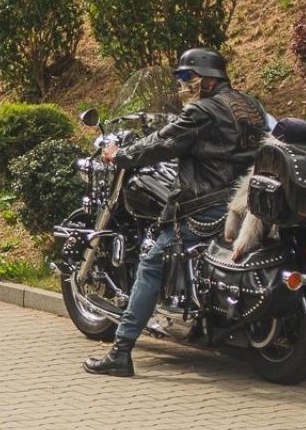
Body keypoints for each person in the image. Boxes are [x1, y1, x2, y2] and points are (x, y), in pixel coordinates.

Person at [84, 47, 268, 377]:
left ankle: (121, 351)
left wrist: (120, 154)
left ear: (207, 81)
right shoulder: (250, 106)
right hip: (245, 201)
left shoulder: (203, 111)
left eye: (186, 77)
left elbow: (161, 143)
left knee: (152, 262)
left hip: (206, 206)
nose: (181, 84)